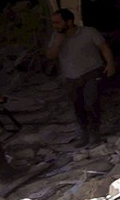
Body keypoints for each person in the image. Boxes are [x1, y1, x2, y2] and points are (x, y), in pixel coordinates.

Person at [46, 9, 115, 145]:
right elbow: (50, 56)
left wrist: (110, 63)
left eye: (58, 22)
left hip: (91, 73)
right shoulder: (56, 36)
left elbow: (104, 47)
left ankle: (95, 131)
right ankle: (84, 132)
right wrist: (58, 43)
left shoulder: (89, 32)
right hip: (71, 77)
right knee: (78, 106)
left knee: (91, 103)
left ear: (69, 22)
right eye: (53, 23)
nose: (55, 26)